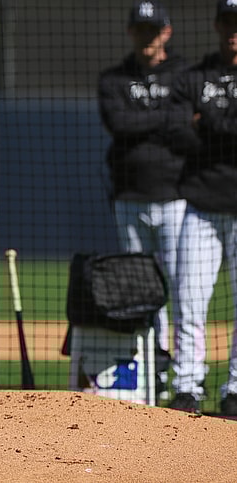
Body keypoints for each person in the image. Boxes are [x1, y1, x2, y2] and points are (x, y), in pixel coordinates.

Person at [97, 1, 193, 403]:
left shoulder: (185, 73)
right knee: (139, 289)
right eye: (140, 29)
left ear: (166, 32)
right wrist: (165, 119)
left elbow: (187, 124)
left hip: (177, 196)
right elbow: (119, 125)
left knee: (182, 286)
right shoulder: (114, 78)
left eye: (153, 30)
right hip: (130, 197)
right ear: (131, 31)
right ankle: (150, 368)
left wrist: (150, 122)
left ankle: (186, 377)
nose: (147, 36)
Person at [168, 0, 237, 416]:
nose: (234, 31)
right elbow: (176, 134)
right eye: (228, 21)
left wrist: (207, 121)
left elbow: (197, 129)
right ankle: (187, 387)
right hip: (201, 204)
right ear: (216, 25)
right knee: (190, 300)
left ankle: (235, 391)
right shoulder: (193, 77)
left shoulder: (196, 90)